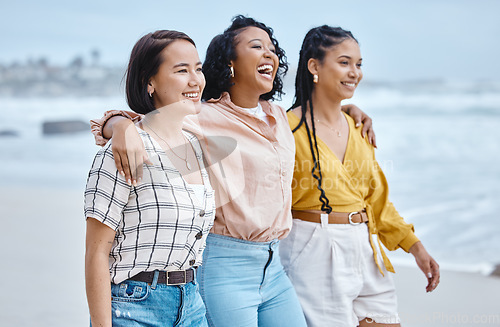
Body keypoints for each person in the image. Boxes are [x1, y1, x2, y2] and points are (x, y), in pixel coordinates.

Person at [89, 16, 374, 327]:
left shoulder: (280, 116)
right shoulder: (205, 117)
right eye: (256, 46)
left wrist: (348, 110)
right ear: (230, 64)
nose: (269, 53)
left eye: (271, 47)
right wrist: (118, 124)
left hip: (273, 264)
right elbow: (150, 120)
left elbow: (317, 116)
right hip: (226, 263)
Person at [279, 25, 440, 327]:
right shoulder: (285, 128)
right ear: (314, 66)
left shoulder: (359, 127)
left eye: (359, 64)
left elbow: (376, 199)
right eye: (344, 62)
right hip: (312, 250)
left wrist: (415, 246)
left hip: (365, 246)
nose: (355, 72)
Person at [84, 30, 215, 327]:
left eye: (198, 68)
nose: (195, 80)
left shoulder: (195, 144)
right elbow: (96, 252)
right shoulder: (124, 150)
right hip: (135, 307)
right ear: (150, 82)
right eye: (182, 70)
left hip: (192, 304)